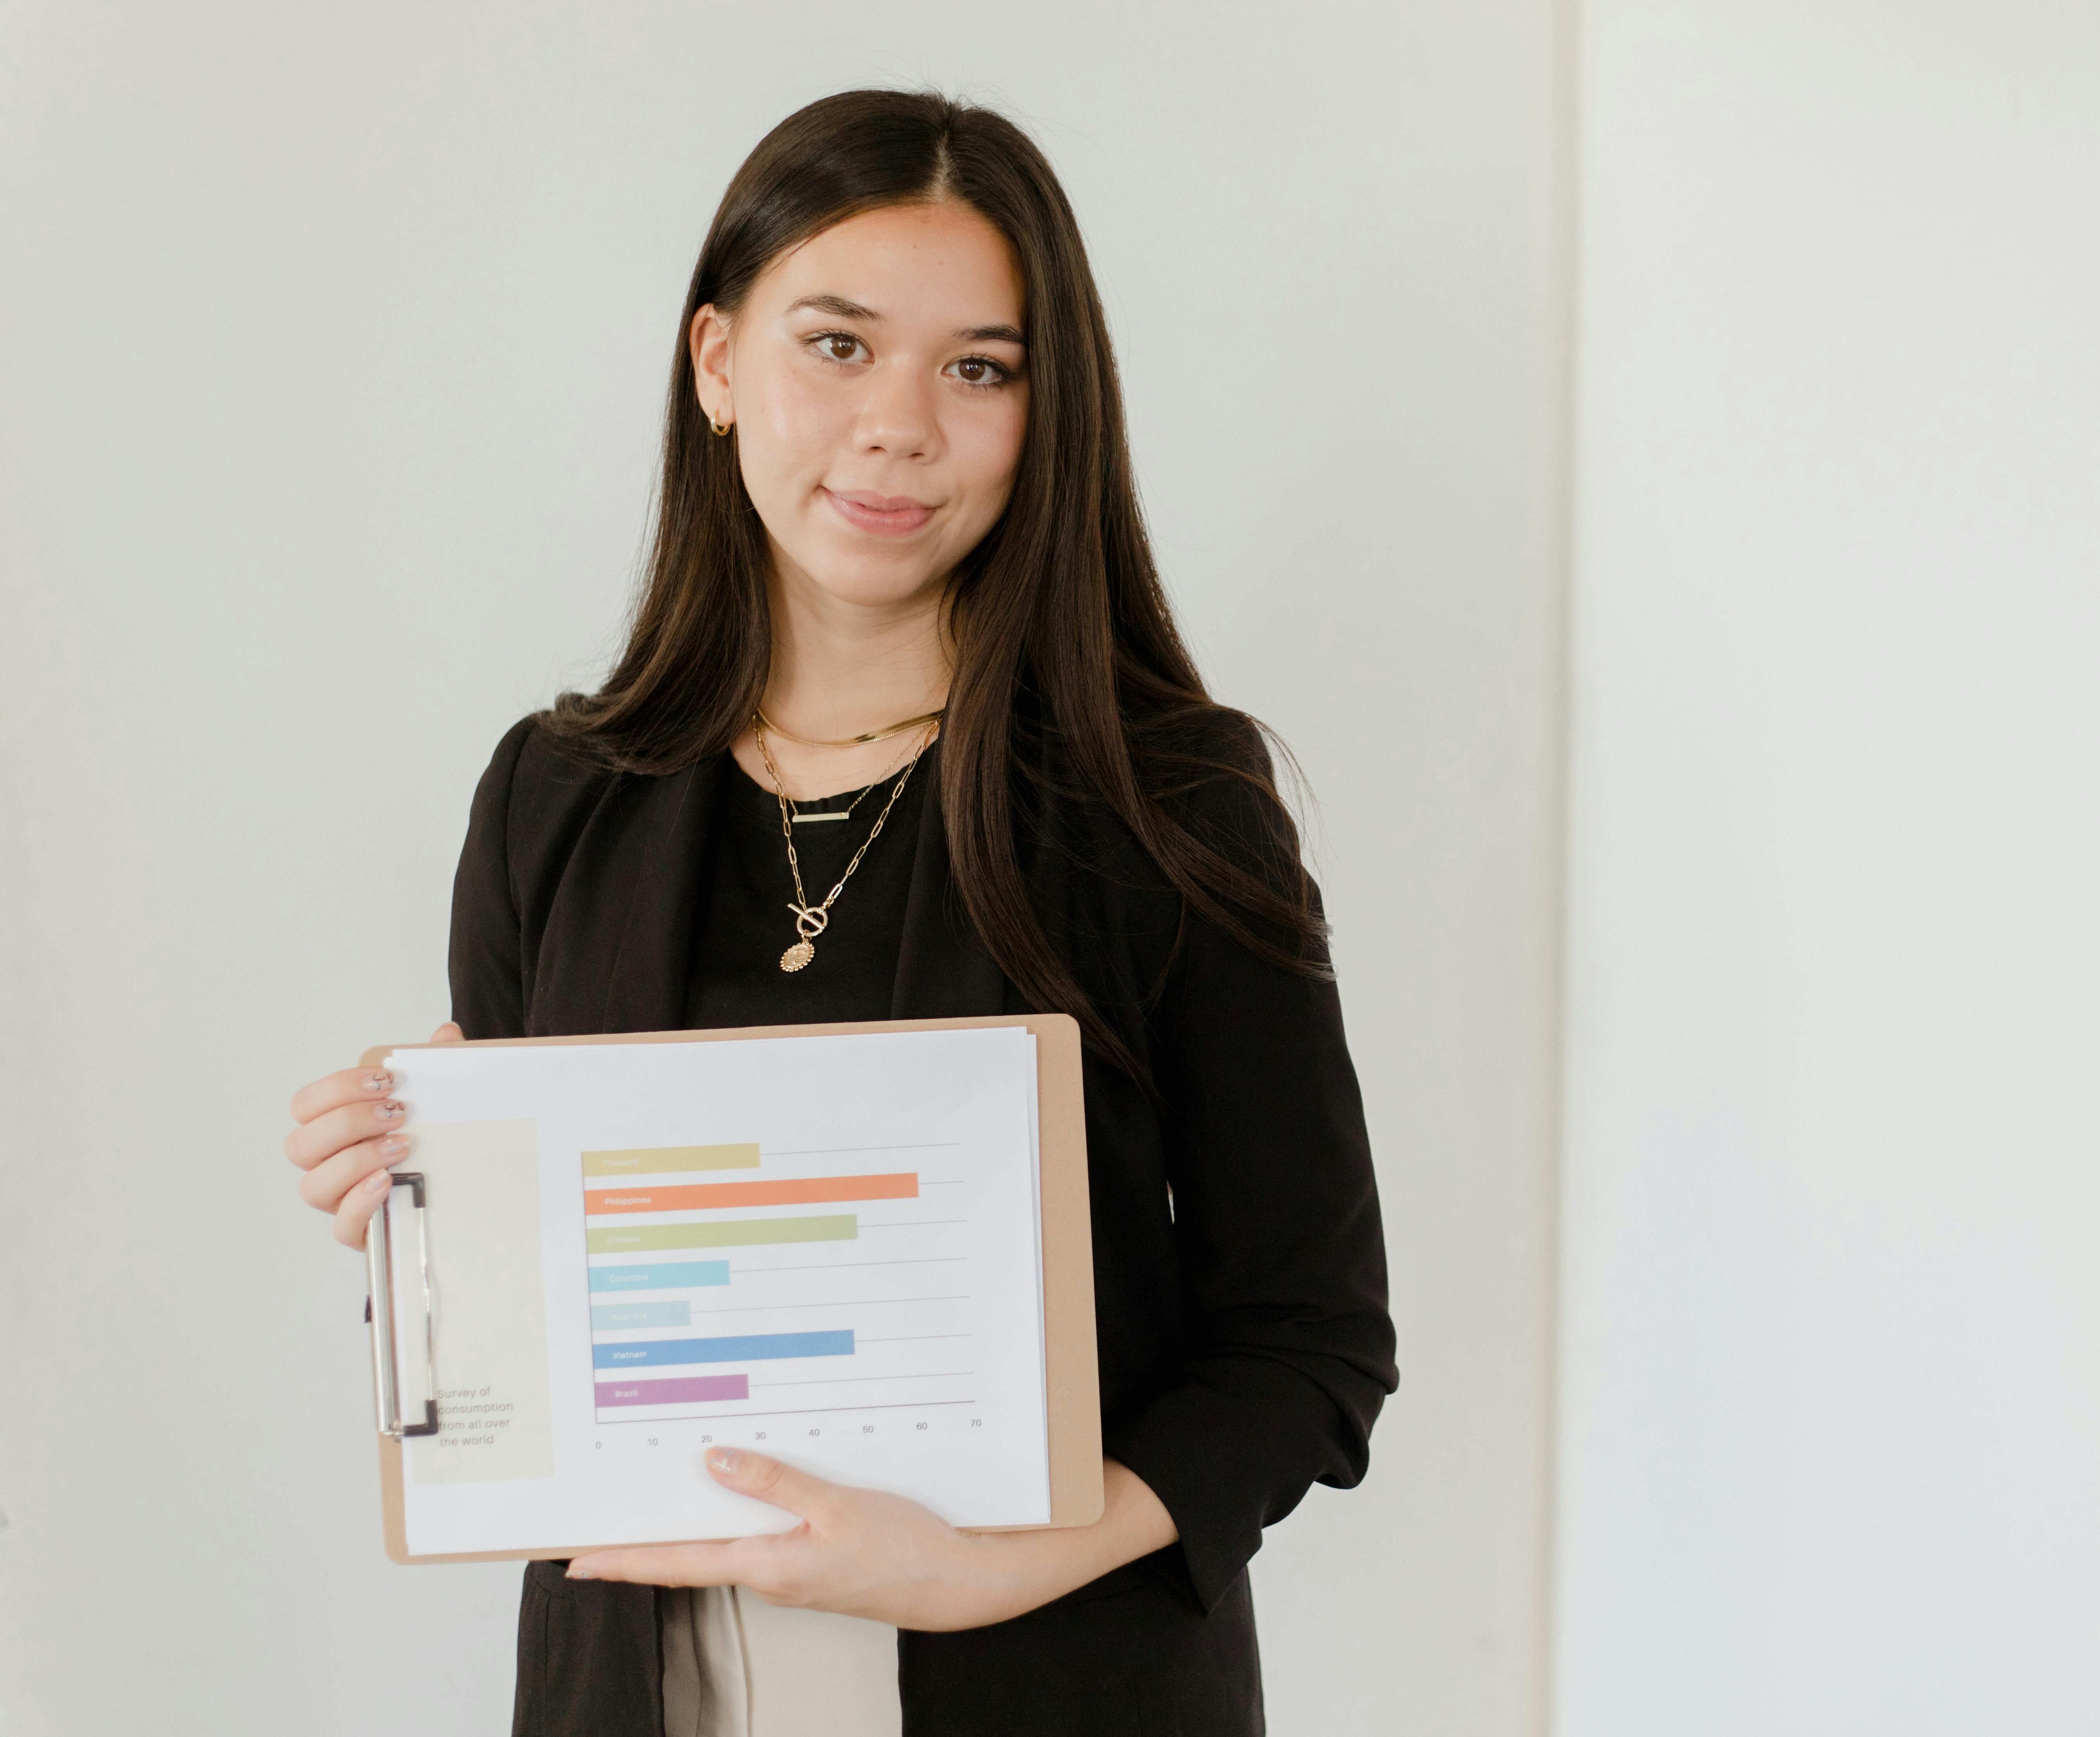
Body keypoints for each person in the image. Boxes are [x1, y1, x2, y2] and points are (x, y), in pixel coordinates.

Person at [279, 89, 1395, 1737]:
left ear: (1044, 410)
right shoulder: (556, 797)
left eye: (979, 368)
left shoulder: (1167, 804)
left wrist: (987, 1564)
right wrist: (419, 1222)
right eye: (839, 345)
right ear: (719, 365)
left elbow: (1310, 1348)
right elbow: (538, 1364)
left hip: (1048, 1670)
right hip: (635, 1686)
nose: (899, 427)